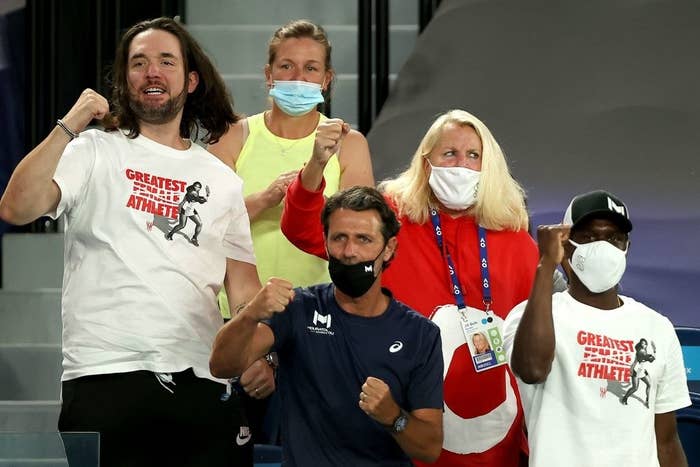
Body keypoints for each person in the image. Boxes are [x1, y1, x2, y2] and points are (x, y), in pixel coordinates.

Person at [0, 17, 272, 467]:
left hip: (200, 381)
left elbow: (243, 290)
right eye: (139, 62)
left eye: (166, 61)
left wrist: (255, 338)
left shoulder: (221, 180)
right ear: (125, 80)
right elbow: (16, 207)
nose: (152, 72)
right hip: (104, 376)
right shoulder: (92, 149)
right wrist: (71, 122)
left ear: (189, 79)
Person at [281, 109, 539, 466]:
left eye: (473, 155)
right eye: (449, 154)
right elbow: (304, 229)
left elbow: (532, 350)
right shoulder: (391, 217)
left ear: (489, 166)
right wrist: (316, 165)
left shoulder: (517, 242)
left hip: (493, 437)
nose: (461, 165)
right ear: (426, 161)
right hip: (398, 429)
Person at [210, 186, 444, 466]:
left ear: (389, 248)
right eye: (340, 238)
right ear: (325, 241)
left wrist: (394, 416)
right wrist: (249, 315)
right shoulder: (299, 309)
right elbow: (222, 366)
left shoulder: (421, 335)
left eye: (364, 239)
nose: (349, 251)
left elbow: (430, 448)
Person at [504, 190, 690, 467]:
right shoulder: (531, 315)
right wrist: (546, 264)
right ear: (566, 244)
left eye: (614, 237)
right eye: (589, 236)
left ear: (626, 247)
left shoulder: (657, 327)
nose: (603, 246)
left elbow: (666, 440)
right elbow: (532, 369)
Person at [208, 19, 373, 301]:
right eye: (286, 66)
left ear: (326, 79)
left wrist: (302, 197)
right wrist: (264, 199)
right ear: (269, 74)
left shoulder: (349, 144)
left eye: (311, 68)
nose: (298, 77)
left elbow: (361, 234)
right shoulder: (232, 137)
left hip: (320, 306)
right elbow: (205, 223)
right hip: (236, 307)